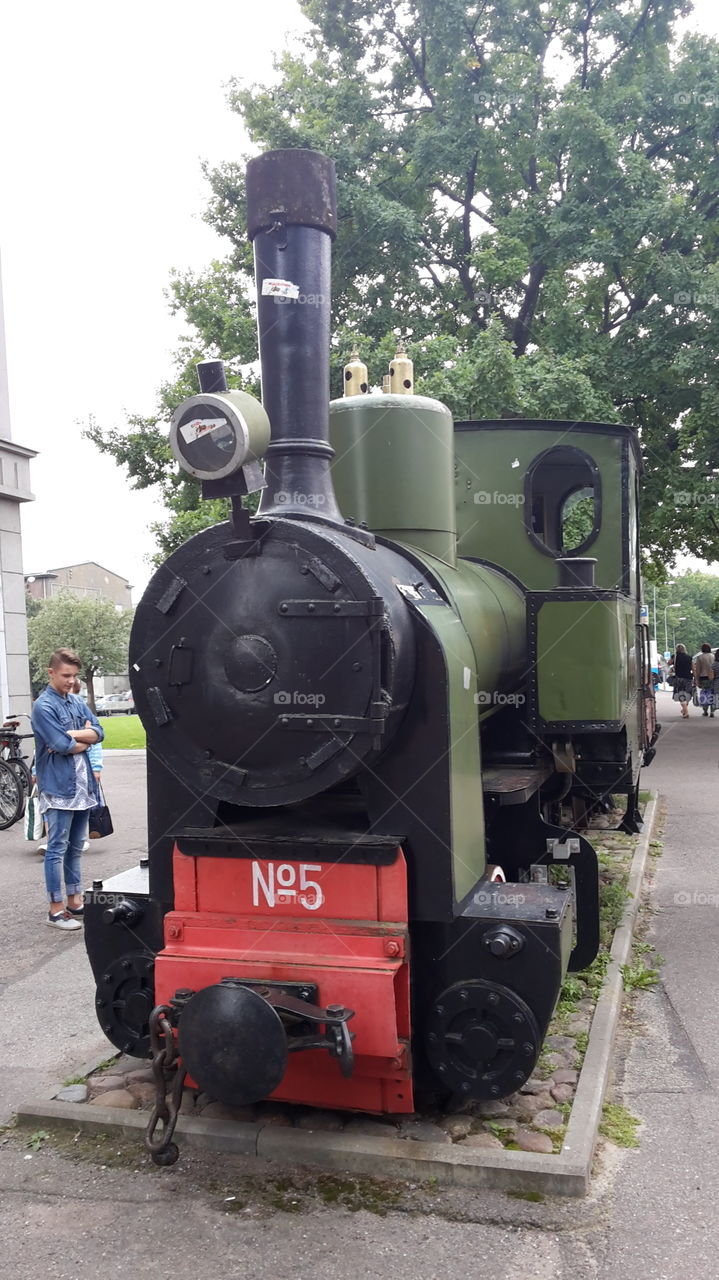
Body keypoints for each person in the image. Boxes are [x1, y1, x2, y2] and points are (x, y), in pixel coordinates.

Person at [31, 649, 104, 931]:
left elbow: (99, 731)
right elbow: (61, 745)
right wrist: (80, 739)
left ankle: (74, 901)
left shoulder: (75, 701)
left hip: (82, 787)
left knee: (75, 847)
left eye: (74, 676)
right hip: (59, 788)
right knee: (56, 848)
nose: (71, 681)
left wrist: (73, 735)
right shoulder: (43, 706)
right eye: (66, 675)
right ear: (51, 673)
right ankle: (55, 909)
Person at [693, 642, 715, 717]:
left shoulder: (700, 657)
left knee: (705, 693)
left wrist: (697, 679)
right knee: (712, 693)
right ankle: (712, 711)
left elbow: (698, 669)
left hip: (703, 677)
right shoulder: (713, 656)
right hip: (712, 677)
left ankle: (705, 710)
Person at [672, 643, 693, 718]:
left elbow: (668, 663)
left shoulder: (675, 657)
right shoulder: (689, 657)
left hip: (679, 678)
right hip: (688, 678)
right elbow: (693, 668)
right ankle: (685, 709)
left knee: (681, 695)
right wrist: (696, 677)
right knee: (687, 694)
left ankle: (686, 712)